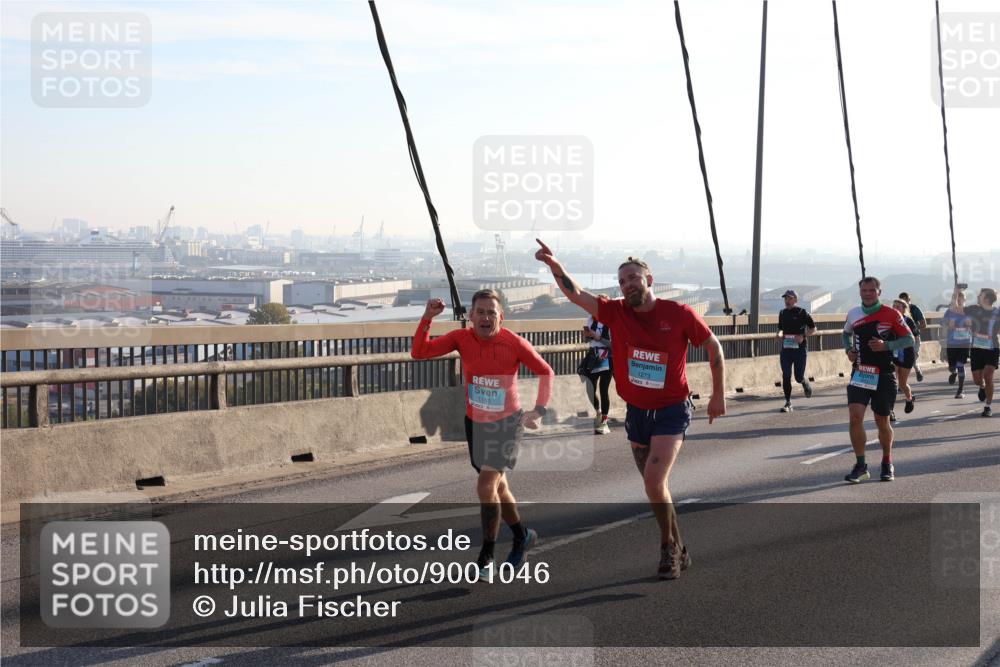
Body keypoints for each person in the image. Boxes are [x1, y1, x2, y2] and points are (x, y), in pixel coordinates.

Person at [535, 239, 726, 580]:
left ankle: (667, 549)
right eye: (622, 281)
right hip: (637, 412)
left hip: (671, 410)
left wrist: (718, 395)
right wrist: (555, 266)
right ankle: (681, 548)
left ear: (649, 280)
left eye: (634, 278)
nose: (628, 285)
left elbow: (713, 346)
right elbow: (577, 293)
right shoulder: (615, 312)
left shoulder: (678, 314)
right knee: (657, 489)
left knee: (654, 480)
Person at [411, 290, 554, 580]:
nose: (486, 317)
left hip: (507, 423)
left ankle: (486, 556)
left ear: (501, 317)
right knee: (498, 489)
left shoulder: (513, 342)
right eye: (481, 312)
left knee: (486, 486)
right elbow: (420, 352)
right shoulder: (461, 338)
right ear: (471, 317)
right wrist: (427, 317)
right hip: (475, 422)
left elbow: (545, 371)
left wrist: (538, 411)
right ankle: (522, 536)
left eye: (492, 312)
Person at [842, 277, 914, 484]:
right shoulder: (854, 313)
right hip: (861, 372)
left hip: (883, 374)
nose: (868, 293)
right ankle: (861, 466)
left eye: (872, 290)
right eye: (864, 290)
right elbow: (846, 333)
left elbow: (908, 339)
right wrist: (849, 350)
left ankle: (886, 462)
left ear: (879, 292)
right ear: (860, 292)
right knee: (855, 417)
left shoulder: (892, 314)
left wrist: (886, 346)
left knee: (881, 421)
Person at [776, 289, 817, 413]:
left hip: (799, 350)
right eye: (785, 299)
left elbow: (813, 328)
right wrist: (778, 334)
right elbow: (780, 328)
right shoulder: (782, 313)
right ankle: (788, 403)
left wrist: (803, 336)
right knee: (786, 375)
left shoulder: (802, 312)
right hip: (786, 350)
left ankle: (804, 383)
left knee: (798, 377)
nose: (787, 301)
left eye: (789, 298)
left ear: (795, 300)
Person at [965, 287, 999, 418]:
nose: (978, 296)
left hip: (992, 348)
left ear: (987, 298)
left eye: (981, 295)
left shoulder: (997, 312)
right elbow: (956, 309)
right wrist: (956, 293)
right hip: (976, 349)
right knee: (977, 380)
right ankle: (982, 387)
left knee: (988, 375)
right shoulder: (973, 309)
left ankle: (988, 406)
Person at [581, 315, 614, 434]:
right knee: (590, 389)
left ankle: (604, 421)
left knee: (603, 390)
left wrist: (598, 337)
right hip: (593, 358)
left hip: (607, 358)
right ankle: (598, 412)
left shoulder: (611, 322)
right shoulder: (590, 320)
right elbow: (586, 341)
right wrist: (587, 336)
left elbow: (613, 345)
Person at [889, 298, 918, 421]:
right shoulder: (888, 321)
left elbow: (916, 338)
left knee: (902, 383)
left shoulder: (909, 321)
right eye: (894, 306)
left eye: (899, 307)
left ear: (904, 309)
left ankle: (909, 399)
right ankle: (890, 411)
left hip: (907, 354)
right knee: (892, 384)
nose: (895, 308)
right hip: (893, 354)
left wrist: (917, 351)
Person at [942, 287, 973, 400]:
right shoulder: (949, 312)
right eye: (957, 298)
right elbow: (943, 323)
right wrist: (948, 324)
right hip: (952, 343)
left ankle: (960, 389)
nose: (959, 300)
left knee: (961, 364)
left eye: (962, 298)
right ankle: (953, 372)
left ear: (965, 300)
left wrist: (969, 324)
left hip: (964, 343)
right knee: (951, 367)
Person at [899, 292, 927, 382]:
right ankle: (902, 383)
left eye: (905, 300)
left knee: (911, 359)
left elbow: (923, 324)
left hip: (914, 338)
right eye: (901, 301)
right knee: (901, 361)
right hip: (902, 339)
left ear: (909, 300)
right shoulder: (897, 311)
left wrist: (912, 328)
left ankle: (917, 370)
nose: (904, 303)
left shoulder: (914, 309)